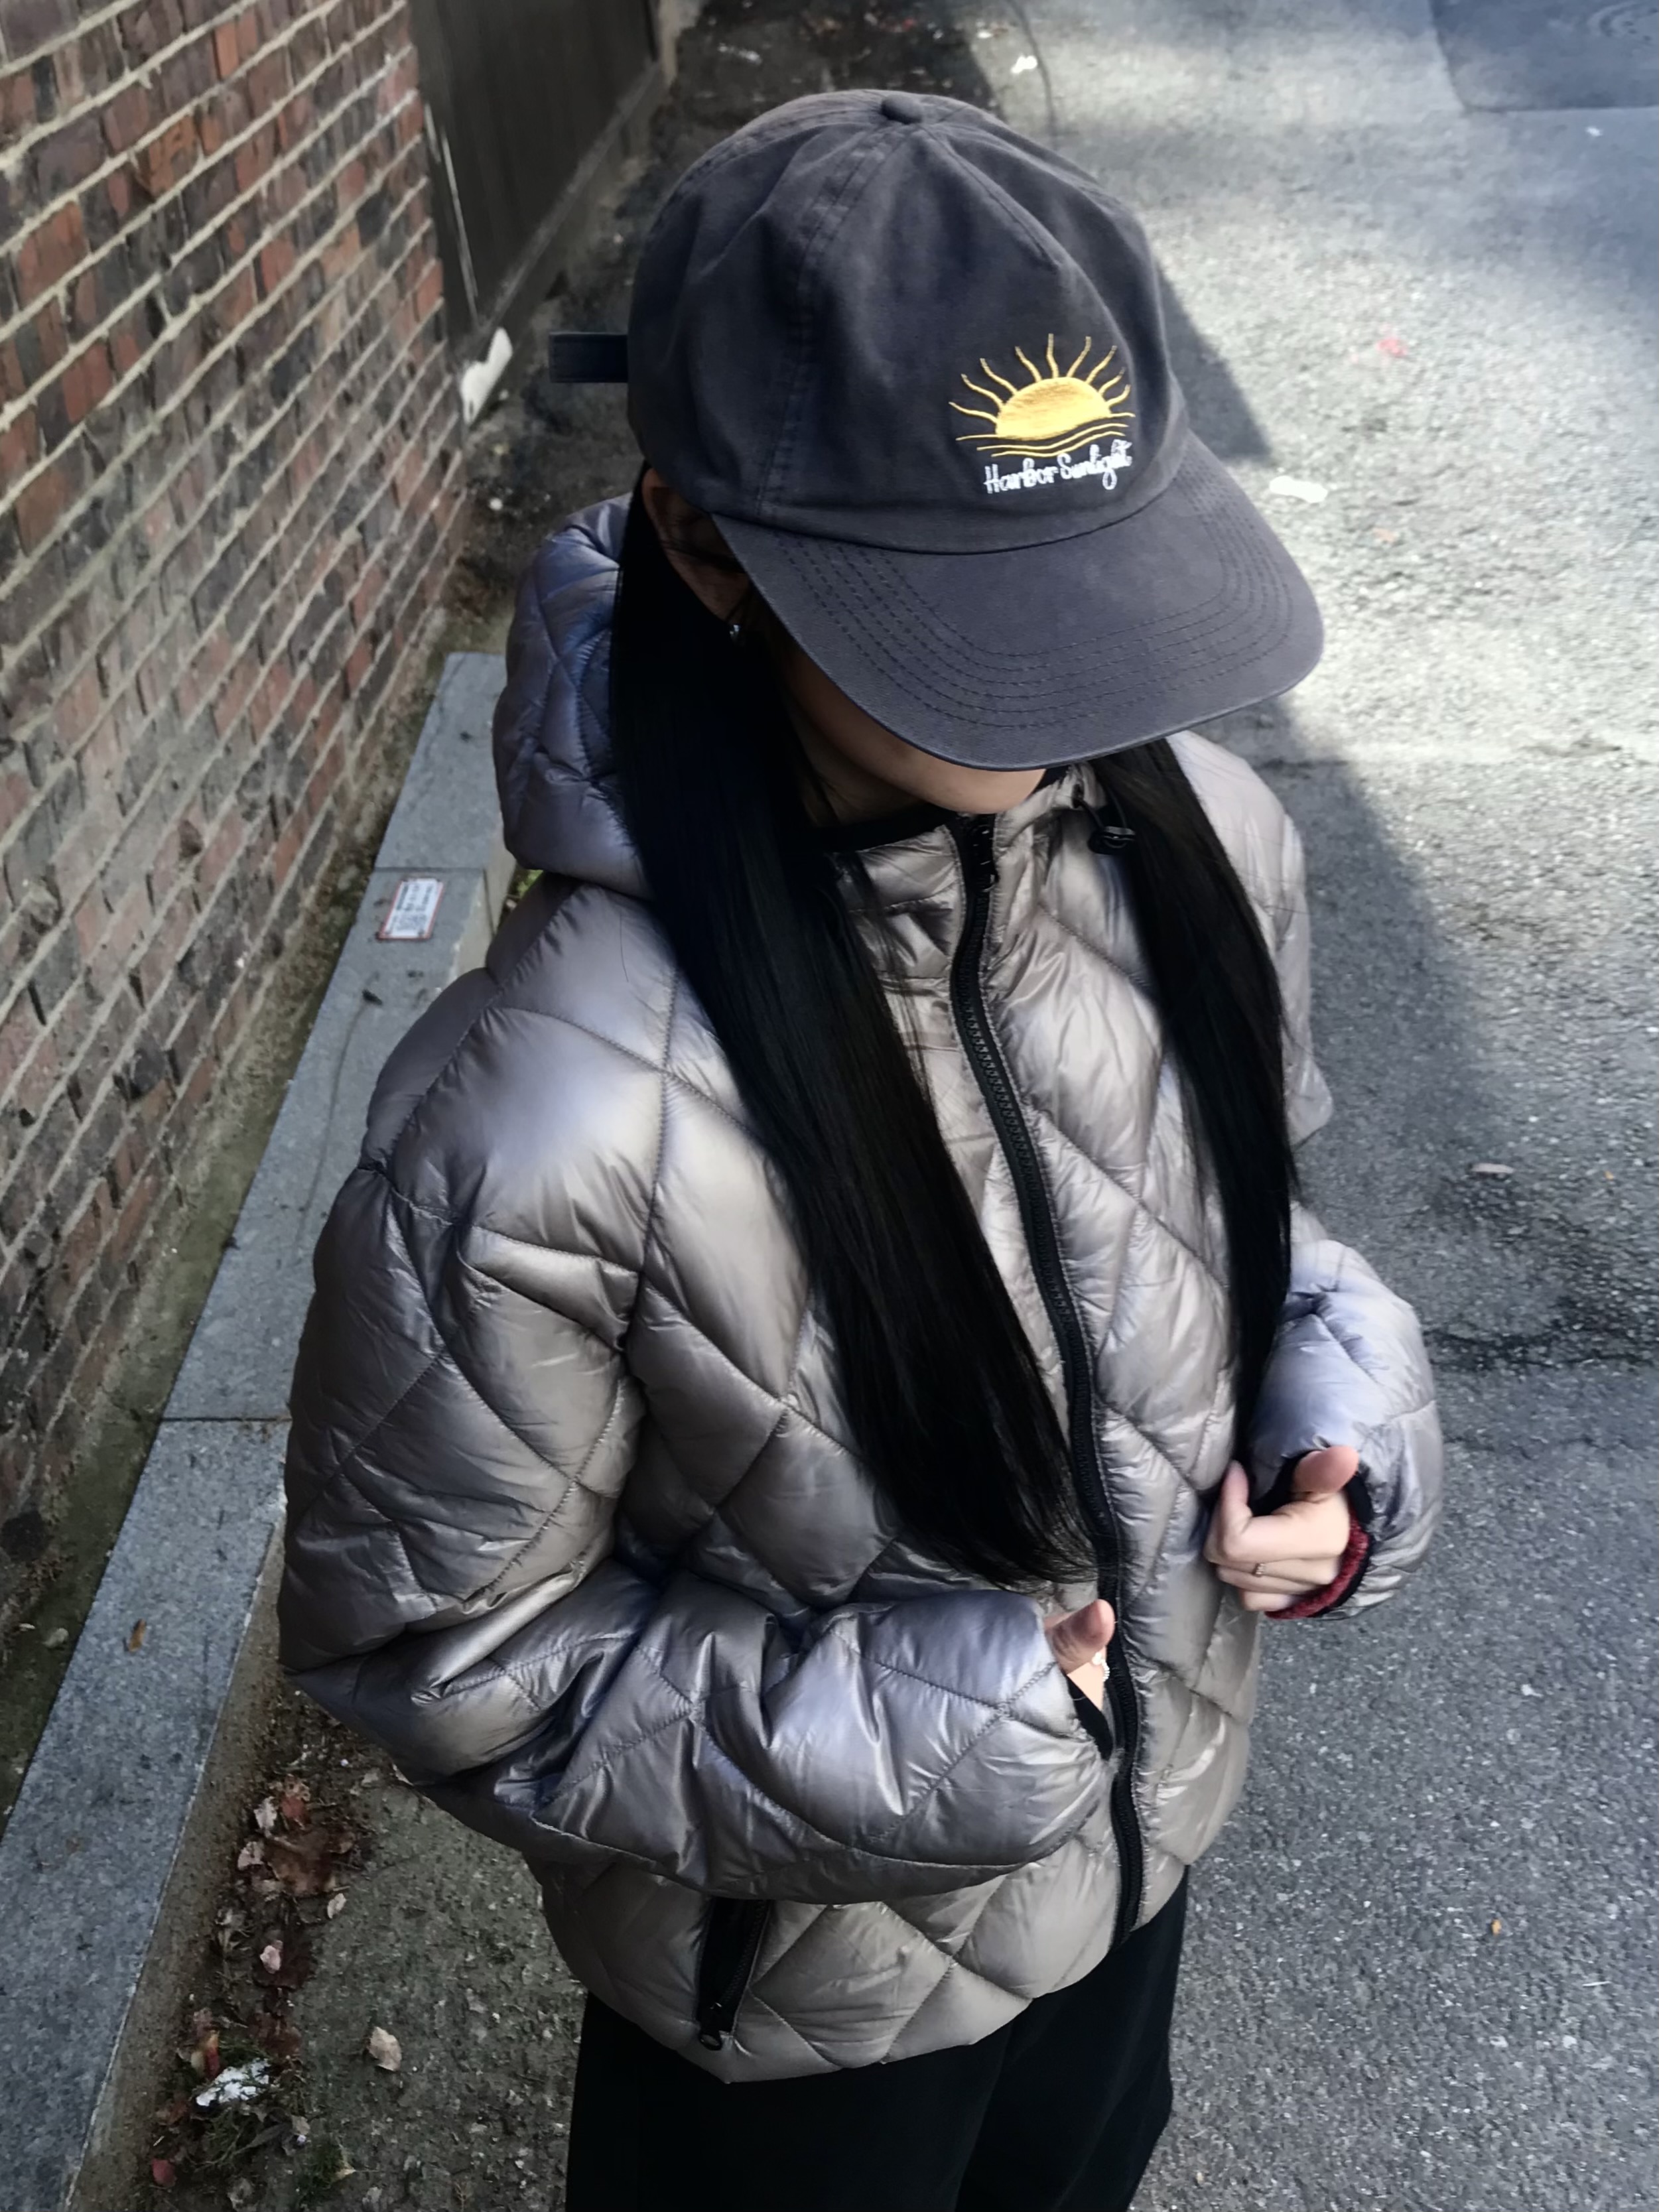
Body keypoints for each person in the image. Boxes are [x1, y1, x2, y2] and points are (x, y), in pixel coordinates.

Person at [279, 90, 1441, 2212]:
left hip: (1139, 1872)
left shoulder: (1200, 836)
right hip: (795, 2014)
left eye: (1100, 586)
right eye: (980, 622)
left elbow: (1254, 1233)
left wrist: (1341, 1425)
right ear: (700, 540)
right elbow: (432, 1651)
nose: (1078, 693)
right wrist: (949, 1736)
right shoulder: (543, 1116)